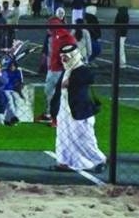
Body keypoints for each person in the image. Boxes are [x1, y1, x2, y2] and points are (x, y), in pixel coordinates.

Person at [49, 44, 106, 173]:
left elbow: (89, 78)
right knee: (63, 138)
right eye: (62, 57)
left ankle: (99, 160)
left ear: (74, 56)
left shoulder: (82, 70)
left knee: (84, 138)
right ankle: (65, 163)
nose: (63, 60)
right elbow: (58, 92)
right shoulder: (66, 71)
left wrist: (72, 82)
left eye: (66, 57)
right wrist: (53, 112)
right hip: (64, 112)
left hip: (79, 111)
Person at [40, 17, 77, 124]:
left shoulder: (63, 38)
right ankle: (50, 114)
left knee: (57, 94)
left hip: (59, 70)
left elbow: (69, 55)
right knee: (51, 92)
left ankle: (56, 117)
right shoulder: (55, 37)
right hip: (54, 68)